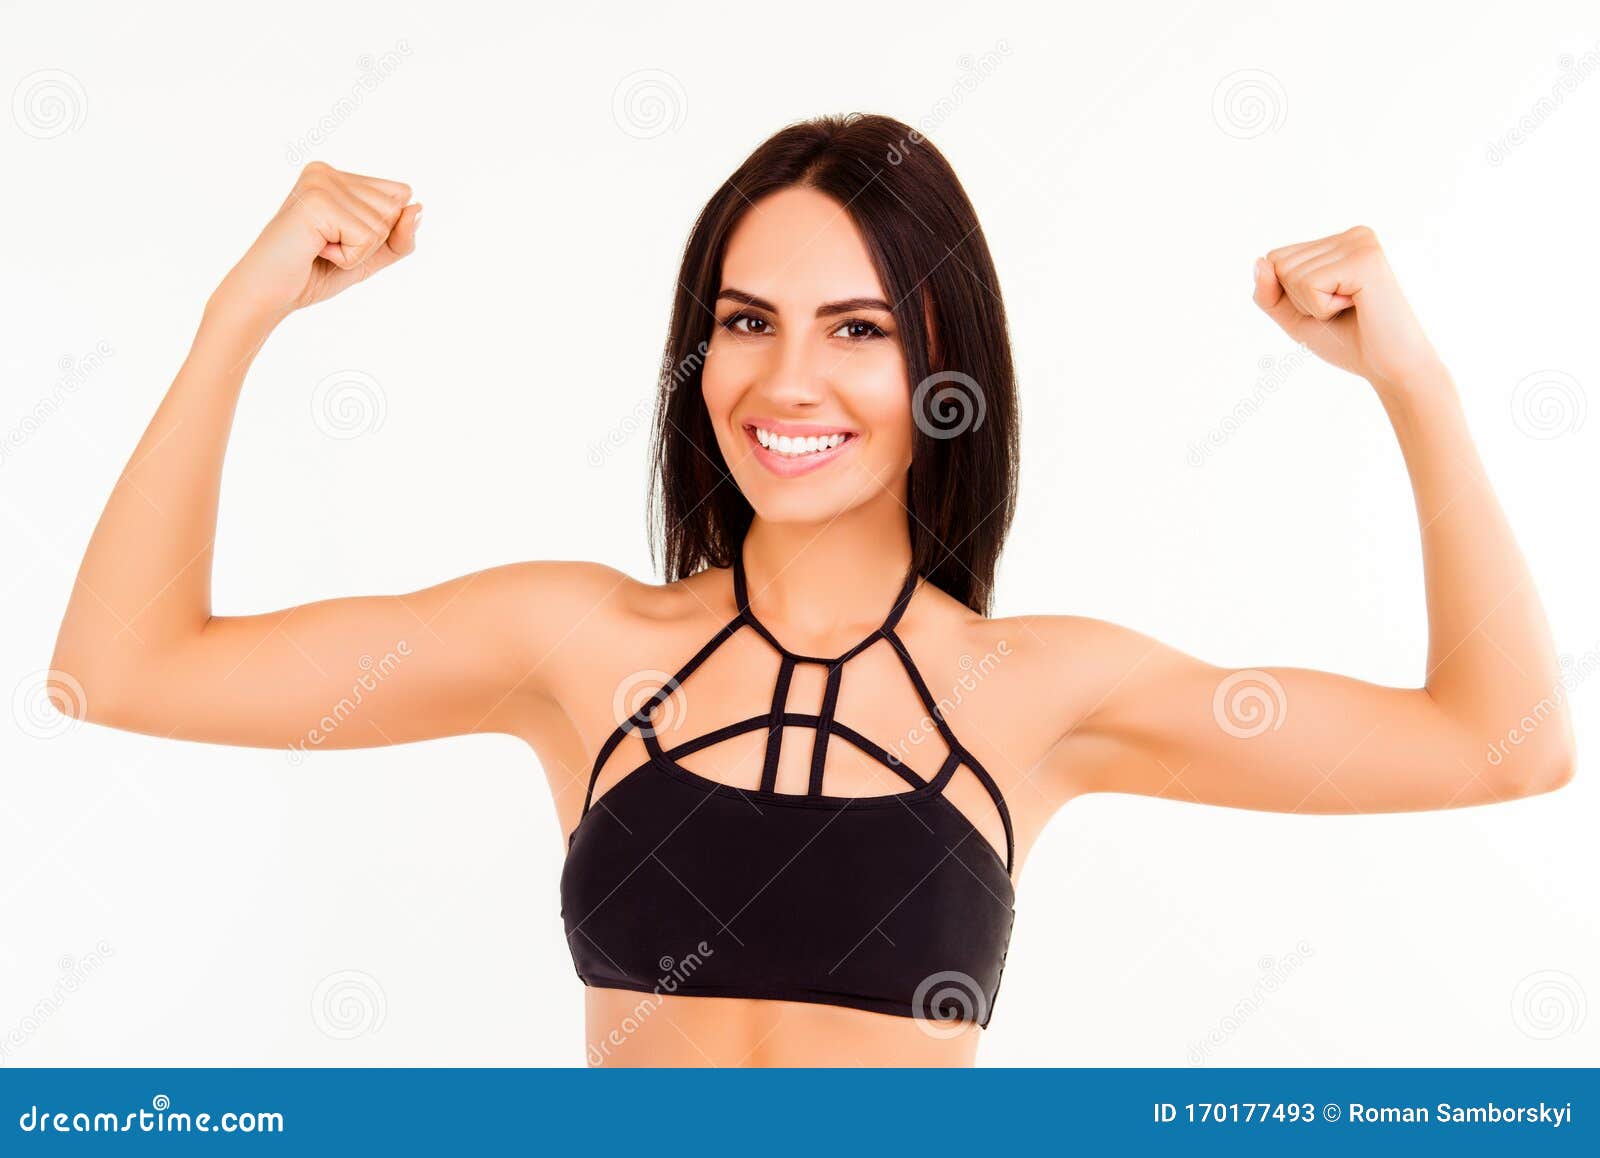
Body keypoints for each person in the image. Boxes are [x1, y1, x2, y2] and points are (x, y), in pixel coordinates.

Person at [49, 114, 1575, 1067]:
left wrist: (1415, 381)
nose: (788, 378)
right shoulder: (574, 647)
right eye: (745, 320)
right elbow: (119, 670)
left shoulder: (1039, 692)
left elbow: (1503, 747)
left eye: (857, 328)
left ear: (942, 365)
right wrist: (236, 314)